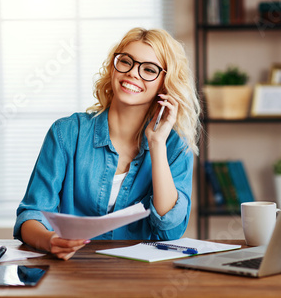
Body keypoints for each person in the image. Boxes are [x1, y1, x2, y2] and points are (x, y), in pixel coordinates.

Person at [13, 27, 201, 260]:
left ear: (164, 84)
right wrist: (50, 241)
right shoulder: (66, 133)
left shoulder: (174, 145)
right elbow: (31, 214)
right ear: (114, 67)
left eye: (149, 69)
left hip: (144, 275)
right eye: (126, 62)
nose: (133, 73)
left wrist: (157, 144)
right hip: (74, 269)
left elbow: (170, 229)